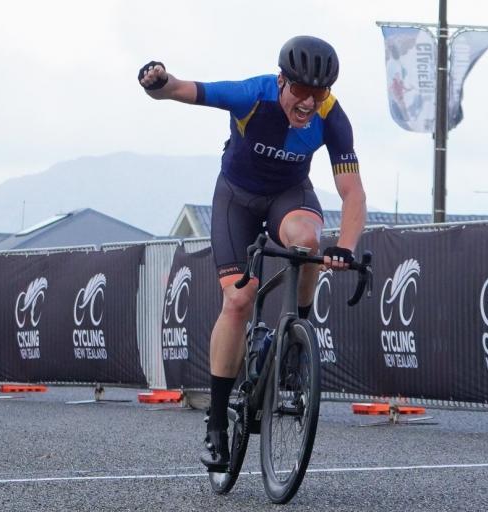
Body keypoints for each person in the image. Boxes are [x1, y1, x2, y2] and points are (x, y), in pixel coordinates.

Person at [138, 35, 366, 471]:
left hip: (288, 194)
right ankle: (217, 422)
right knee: (240, 298)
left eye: (318, 93)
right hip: (236, 200)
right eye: (300, 90)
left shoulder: (332, 116)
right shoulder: (252, 95)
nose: (308, 101)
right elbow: (186, 90)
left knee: (307, 241)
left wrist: (347, 248)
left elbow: (352, 191)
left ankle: (297, 334)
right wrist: (158, 81)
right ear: (281, 81)